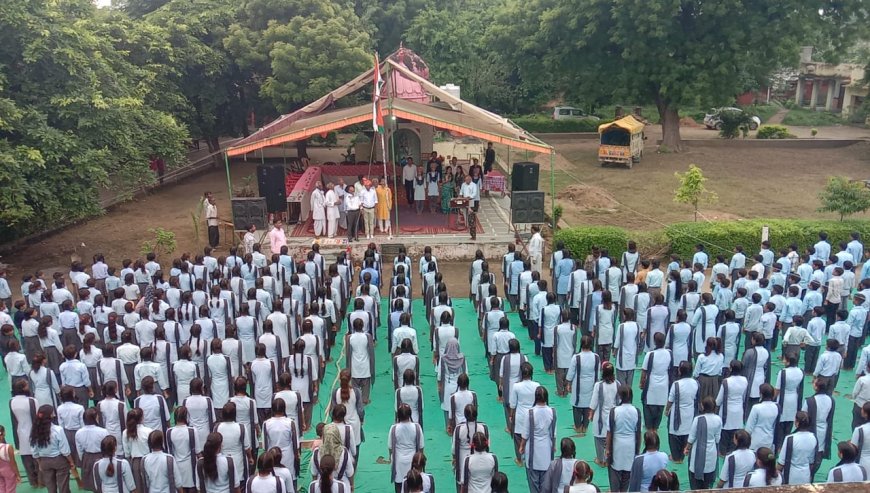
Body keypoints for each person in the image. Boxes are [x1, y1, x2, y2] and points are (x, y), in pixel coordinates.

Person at [31, 404, 76, 493]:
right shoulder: (58, 430)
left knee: (50, 487)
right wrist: (71, 462)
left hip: (44, 461)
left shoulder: (34, 431)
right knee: (63, 487)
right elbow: (65, 450)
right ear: (50, 416)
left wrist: (40, 463)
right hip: (59, 460)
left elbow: (34, 451)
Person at [520, 386, 556, 493]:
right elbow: (553, 433)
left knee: (533, 481)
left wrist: (521, 446)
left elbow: (525, 434)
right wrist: (553, 446)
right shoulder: (552, 412)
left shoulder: (530, 412)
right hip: (546, 448)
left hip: (532, 450)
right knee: (545, 480)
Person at [606, 385, 640, 493]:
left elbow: (609, 433)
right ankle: (624, 490)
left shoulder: (614, 411)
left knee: (615, 470)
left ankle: (614, 490)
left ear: (620, 396)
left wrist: (607, 449)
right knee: (628, 471)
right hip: (631, 445)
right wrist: (637, 449)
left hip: (617, 445)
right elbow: (638, 432)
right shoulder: (636, 411)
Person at [665, 360, 698, 464]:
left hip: (676, 413)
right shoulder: (696, 383)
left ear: (680, 371)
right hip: (690, 412)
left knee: (674, 435)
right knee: (687, 432)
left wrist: (666, 410)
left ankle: (676, 457)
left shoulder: (676, 384)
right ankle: (683, 454)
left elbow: (670, 400)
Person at [389, 404, 424, 493]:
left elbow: (390, 448)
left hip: (398, 462)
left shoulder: (394, 428)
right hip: (414, 461)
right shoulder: (416, 427)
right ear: (410, 414)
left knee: (399, 486)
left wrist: (391, 457)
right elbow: (421, 447)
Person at [778, 411, 818, 484]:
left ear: (797, 422)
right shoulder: (813, 437)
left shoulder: (790, 438)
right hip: (805, 475)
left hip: (791, 475)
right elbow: (811, 462)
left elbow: (781, 463)